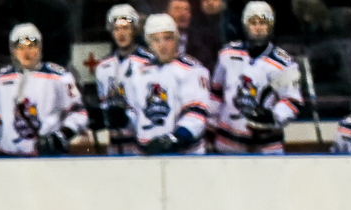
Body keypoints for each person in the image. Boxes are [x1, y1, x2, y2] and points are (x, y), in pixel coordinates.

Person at [0, 22, 89, 157]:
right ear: (13, 49)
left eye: (31, 46)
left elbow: (79, 113)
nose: (26, 52)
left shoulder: (59, 77)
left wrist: (60, 137)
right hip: (8, 158)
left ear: (40, 47)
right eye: (20, 47)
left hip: (48, 156)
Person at [210, 1, 304, 154]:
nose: (258, 28)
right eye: (253, 23)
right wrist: (210, 127)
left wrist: (273, 116)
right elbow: (215, 95)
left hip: (267, 146)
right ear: (245, 25)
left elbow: (292, 100)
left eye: (263, 23)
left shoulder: (284, 63)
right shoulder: (227, 54)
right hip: (228, 142)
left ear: (270, 26)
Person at [128, 13, 211, 155]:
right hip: (146, 154)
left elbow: (197, 114)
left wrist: (175, 138)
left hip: (184, 155)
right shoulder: (139, 73)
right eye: (156, 40)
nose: (162, 45)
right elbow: (136, 113)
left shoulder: (192, 69)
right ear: (149, 43)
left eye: (167, 38)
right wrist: (122, 118)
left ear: (177, 39)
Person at [95, 6, 154, 156]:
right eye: (116, 29)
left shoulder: (148, 62)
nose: (121, 34)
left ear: (134, 30)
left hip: (142, 142)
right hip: (115, 144)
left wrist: (128, 118)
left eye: (126, 28)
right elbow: (104, 103)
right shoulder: (103, 66)